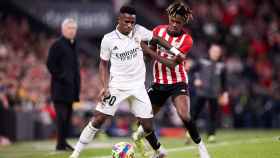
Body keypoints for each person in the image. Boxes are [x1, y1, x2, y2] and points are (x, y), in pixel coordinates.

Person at [69, 6, 182, 158]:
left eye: (133, 22)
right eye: (127, 21)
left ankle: (159, 150)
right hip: (117, 87)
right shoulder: (108, 39)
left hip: (138, 87)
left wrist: (175, 51)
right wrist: (105, 86)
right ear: (119, 20)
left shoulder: (139, 31)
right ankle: (75, 154)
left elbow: (157, 39)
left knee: (147, 125)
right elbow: (103, 64)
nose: (130, 25)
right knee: (98, 119)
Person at [133, 2, 211, 158]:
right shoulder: (158, 31)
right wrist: (141, 51)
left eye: (178, 22)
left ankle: (202, 148)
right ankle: (157, 150)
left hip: (177, 82)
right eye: (173, 20)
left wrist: (148, 50)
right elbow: (150, 56)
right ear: (169, 18)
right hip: (158, 82)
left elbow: (172, 64)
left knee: (184, 116)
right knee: (143, 119)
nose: (174, 24)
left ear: (183, 23)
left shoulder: (187, 40)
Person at [46, 18, 80, 151]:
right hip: (60, 89)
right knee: (61, 117)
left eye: (73, 28)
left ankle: (63, 142)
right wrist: (62, 76)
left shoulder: (73, 45)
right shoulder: (57, 44)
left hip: (71, 89)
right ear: (63, 29)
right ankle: (60, 144)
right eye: (69, 28)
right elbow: (50, 64)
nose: (72, 31)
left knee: (67, 118)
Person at [189, 44, 229, 142]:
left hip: (214, 93)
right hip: (201, 92)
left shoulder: (222, 65)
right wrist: (195, 80)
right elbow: (191, 71)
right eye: (213, 51)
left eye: (217, 52)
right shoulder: (202, 60)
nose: (215, 53)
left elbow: (224, 81)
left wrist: (225, 94)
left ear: (220, 54)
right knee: (195, 113)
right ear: (209, 51)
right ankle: (189, 133)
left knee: (213, 115)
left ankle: (211, 135)